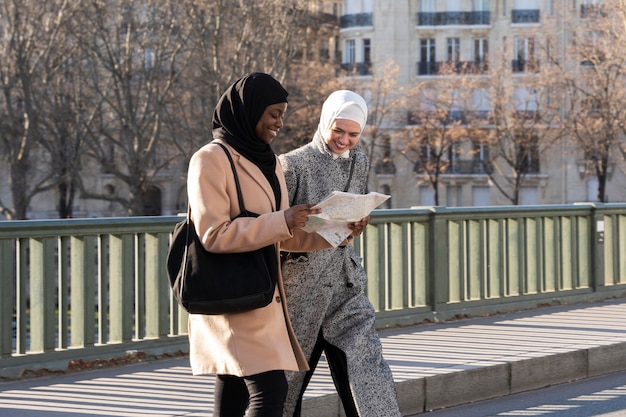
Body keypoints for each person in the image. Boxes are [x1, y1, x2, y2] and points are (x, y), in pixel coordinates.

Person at [186, 73, 347, 417]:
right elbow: (213, 233)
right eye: (273, 113)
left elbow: (282, 234)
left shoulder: (269, 161)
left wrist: (340, 231)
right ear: (249, 110)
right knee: (271, 390)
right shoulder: (209, 159)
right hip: (232, 295)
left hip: (261, 296)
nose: (279, 122)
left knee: (233, 392)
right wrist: (283, 220)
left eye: (282, 114)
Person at [278, 90, 402, 417]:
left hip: (346, 285)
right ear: (324, 122)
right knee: (285, 385)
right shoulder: (291, 165)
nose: (344, 140)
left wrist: (356, 225)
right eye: (338, 130)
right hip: (300, 291)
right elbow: (275, 231)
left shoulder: (359, 161)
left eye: (353, 134)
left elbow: (351, 213)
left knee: (369, 369)